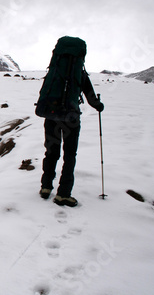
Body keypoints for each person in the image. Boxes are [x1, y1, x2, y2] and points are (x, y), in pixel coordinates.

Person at [39, 57, 104, 207]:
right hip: (71, 119)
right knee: (69, 155)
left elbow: (44, 91)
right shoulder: (79, 73)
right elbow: (91, 98)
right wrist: (99, 106)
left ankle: (46, 187)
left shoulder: (54, 71)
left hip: (52, 116)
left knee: (51, 151)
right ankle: (63, 194)